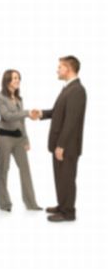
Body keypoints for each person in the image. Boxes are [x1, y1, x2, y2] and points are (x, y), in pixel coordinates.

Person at [38, 56, 87, 222]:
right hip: (61, 145)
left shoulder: (77, 90)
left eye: (60, 67)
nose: (57, 70)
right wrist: (42, 114)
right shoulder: (68, 89)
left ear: (68, 68)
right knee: (60, 177)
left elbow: (71, 121)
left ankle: (68, 212)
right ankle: (62, 205)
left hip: (67, 146)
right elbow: (58, 112)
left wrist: (61, 145)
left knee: (66, 178)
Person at [0, 70, 42, 212]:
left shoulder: (19, 99)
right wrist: (27, 112)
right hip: (4, 138)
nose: (17, 80)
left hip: (19, 139)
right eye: (14, 78)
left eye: (18, 78)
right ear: (7, 80)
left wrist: (26, 139)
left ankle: (31, 204)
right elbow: (7, 116)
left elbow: (21, 121)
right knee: (4, 170)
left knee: (25, 170)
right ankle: (5, 204)